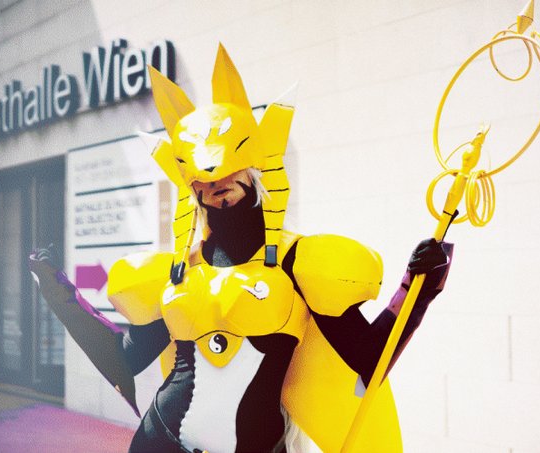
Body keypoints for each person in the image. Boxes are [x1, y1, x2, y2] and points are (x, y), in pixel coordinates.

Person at [29, 44, 453, 453]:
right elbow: (124, 361)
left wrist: (416, 286)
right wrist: (60, 295)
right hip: (159, 441)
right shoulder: (180, 270)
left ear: (254, 169)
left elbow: (369, 357)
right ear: (191, 187)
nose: (216, 182)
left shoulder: (297, 262)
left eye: (227, 167)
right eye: (203, 178)